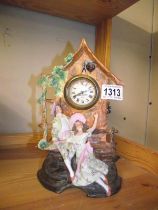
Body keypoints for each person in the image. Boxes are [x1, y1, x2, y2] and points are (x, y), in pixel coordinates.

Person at [64, 112, 111, 196]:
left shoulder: (86, 133)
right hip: (79, 158)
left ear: (82, 125)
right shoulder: (73, 136)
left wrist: (96, 118)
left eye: (80, 124)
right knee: (88, 172)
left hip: (86, 156)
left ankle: (105, 187)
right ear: (75, 126)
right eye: (77, 124)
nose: (79, 125)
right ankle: (101, 176)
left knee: (88, 170)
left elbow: (93, 128)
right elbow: (66, 141)